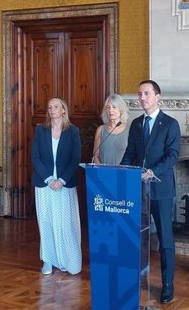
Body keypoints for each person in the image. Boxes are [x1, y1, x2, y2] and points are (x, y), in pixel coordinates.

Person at [121, 80, 181, 304]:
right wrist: (122, 171)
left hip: (161, 189)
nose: (142, 97)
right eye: (140, 94)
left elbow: (173, 156)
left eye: (147, 93)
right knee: (134, 235)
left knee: (165, 239)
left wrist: (151, 172)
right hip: (137, 189)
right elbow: (130, 153)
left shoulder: (170, 124)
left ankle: (167, 285)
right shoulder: (136, 124)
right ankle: (134, 279)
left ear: (157, 97)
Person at [31, 96, 83, 275]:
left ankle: (69, 260)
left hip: (64, 184)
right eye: (49, 107)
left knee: (65, 223)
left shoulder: (73, 131)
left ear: (63, 110)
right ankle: (47, 260)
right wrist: (48, 179)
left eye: (56, 106)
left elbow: (75, 158)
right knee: (46, 222)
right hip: (44, 184)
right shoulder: (41, 130)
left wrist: (61, 180)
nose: (52, 109)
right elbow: (35, 157)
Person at [92, 93, 130, 164]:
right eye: (108, 107)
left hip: (123, 173)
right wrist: (103, 172)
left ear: (121, 110)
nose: (110, 110)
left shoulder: (130, 130)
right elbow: (95, 156)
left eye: (114, 107)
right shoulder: (100, 130)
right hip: (103, 173)